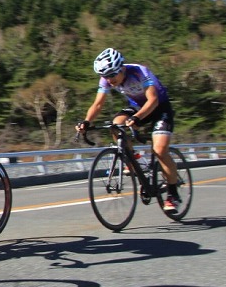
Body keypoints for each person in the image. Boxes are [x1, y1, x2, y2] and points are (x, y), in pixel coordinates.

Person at [75, 47, 181, 212]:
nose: (109, 80)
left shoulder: (140, 72)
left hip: (159, 109)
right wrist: (87, 121)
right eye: (104, 76)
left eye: (112, 75)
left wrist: (137, 118)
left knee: (159, 150)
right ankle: (136, 160)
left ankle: (172, 194)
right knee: (116, 124)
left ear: (121, 68)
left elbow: (152, 100)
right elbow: (98, 104)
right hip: (137, 108)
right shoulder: (106, 79)